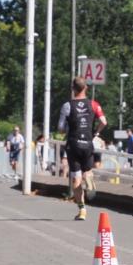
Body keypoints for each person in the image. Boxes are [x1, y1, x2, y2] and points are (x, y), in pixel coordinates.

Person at [57, 77, 107, 221]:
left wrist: (68, 128)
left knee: (76, 179)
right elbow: (104, 122)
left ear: (73, 89)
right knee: (88, 170)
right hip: (88, 143)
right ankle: (89, 177)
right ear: (86, 88)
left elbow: (60, 128)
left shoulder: (67, 106)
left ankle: (82, 209)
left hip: (73, 145)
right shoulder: (94, 104)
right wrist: (96, 133)